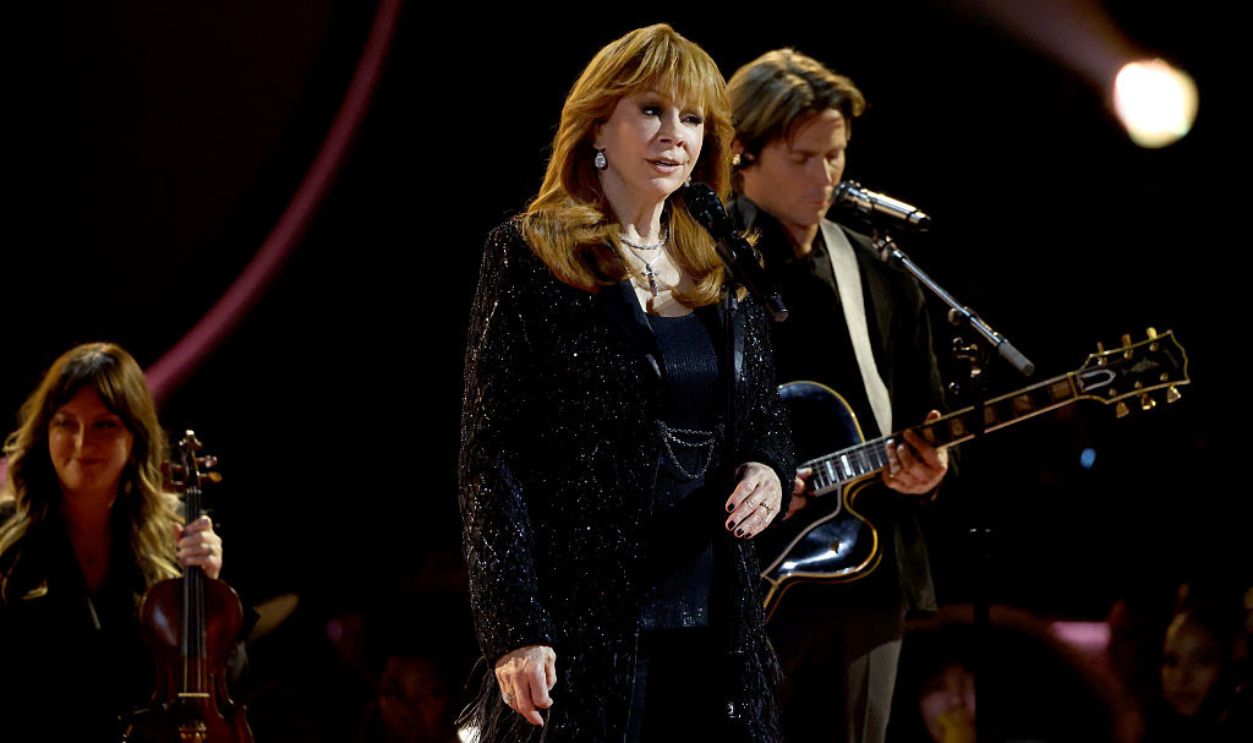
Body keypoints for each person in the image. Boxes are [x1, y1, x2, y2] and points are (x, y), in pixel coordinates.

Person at [458, 24, 794, 743]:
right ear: (597, 126)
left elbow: (762, 415)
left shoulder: (719, 259)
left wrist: (768, 465)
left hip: (715, 623)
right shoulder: (528, 255)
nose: (675, 134)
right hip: (584, 624)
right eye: (651, 110)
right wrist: (514, 626)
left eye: (694, 117)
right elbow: (492, 458)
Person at [726, 49, 949, 742]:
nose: (824, 177)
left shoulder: (880, 269)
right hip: (733, 579)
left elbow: (922, 415)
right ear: (742, 151)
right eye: (802, 157)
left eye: (836, 155)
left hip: (866, 573)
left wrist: (931, 468)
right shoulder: (696, 262)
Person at [0, 342, 225, 739]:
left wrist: (208, 591)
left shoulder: (171, 542)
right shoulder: (4, 540)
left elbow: (221, 683)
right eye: (65, 423)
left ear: (135, 437)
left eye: (104, 425)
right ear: (44, 430)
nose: (82, 444)